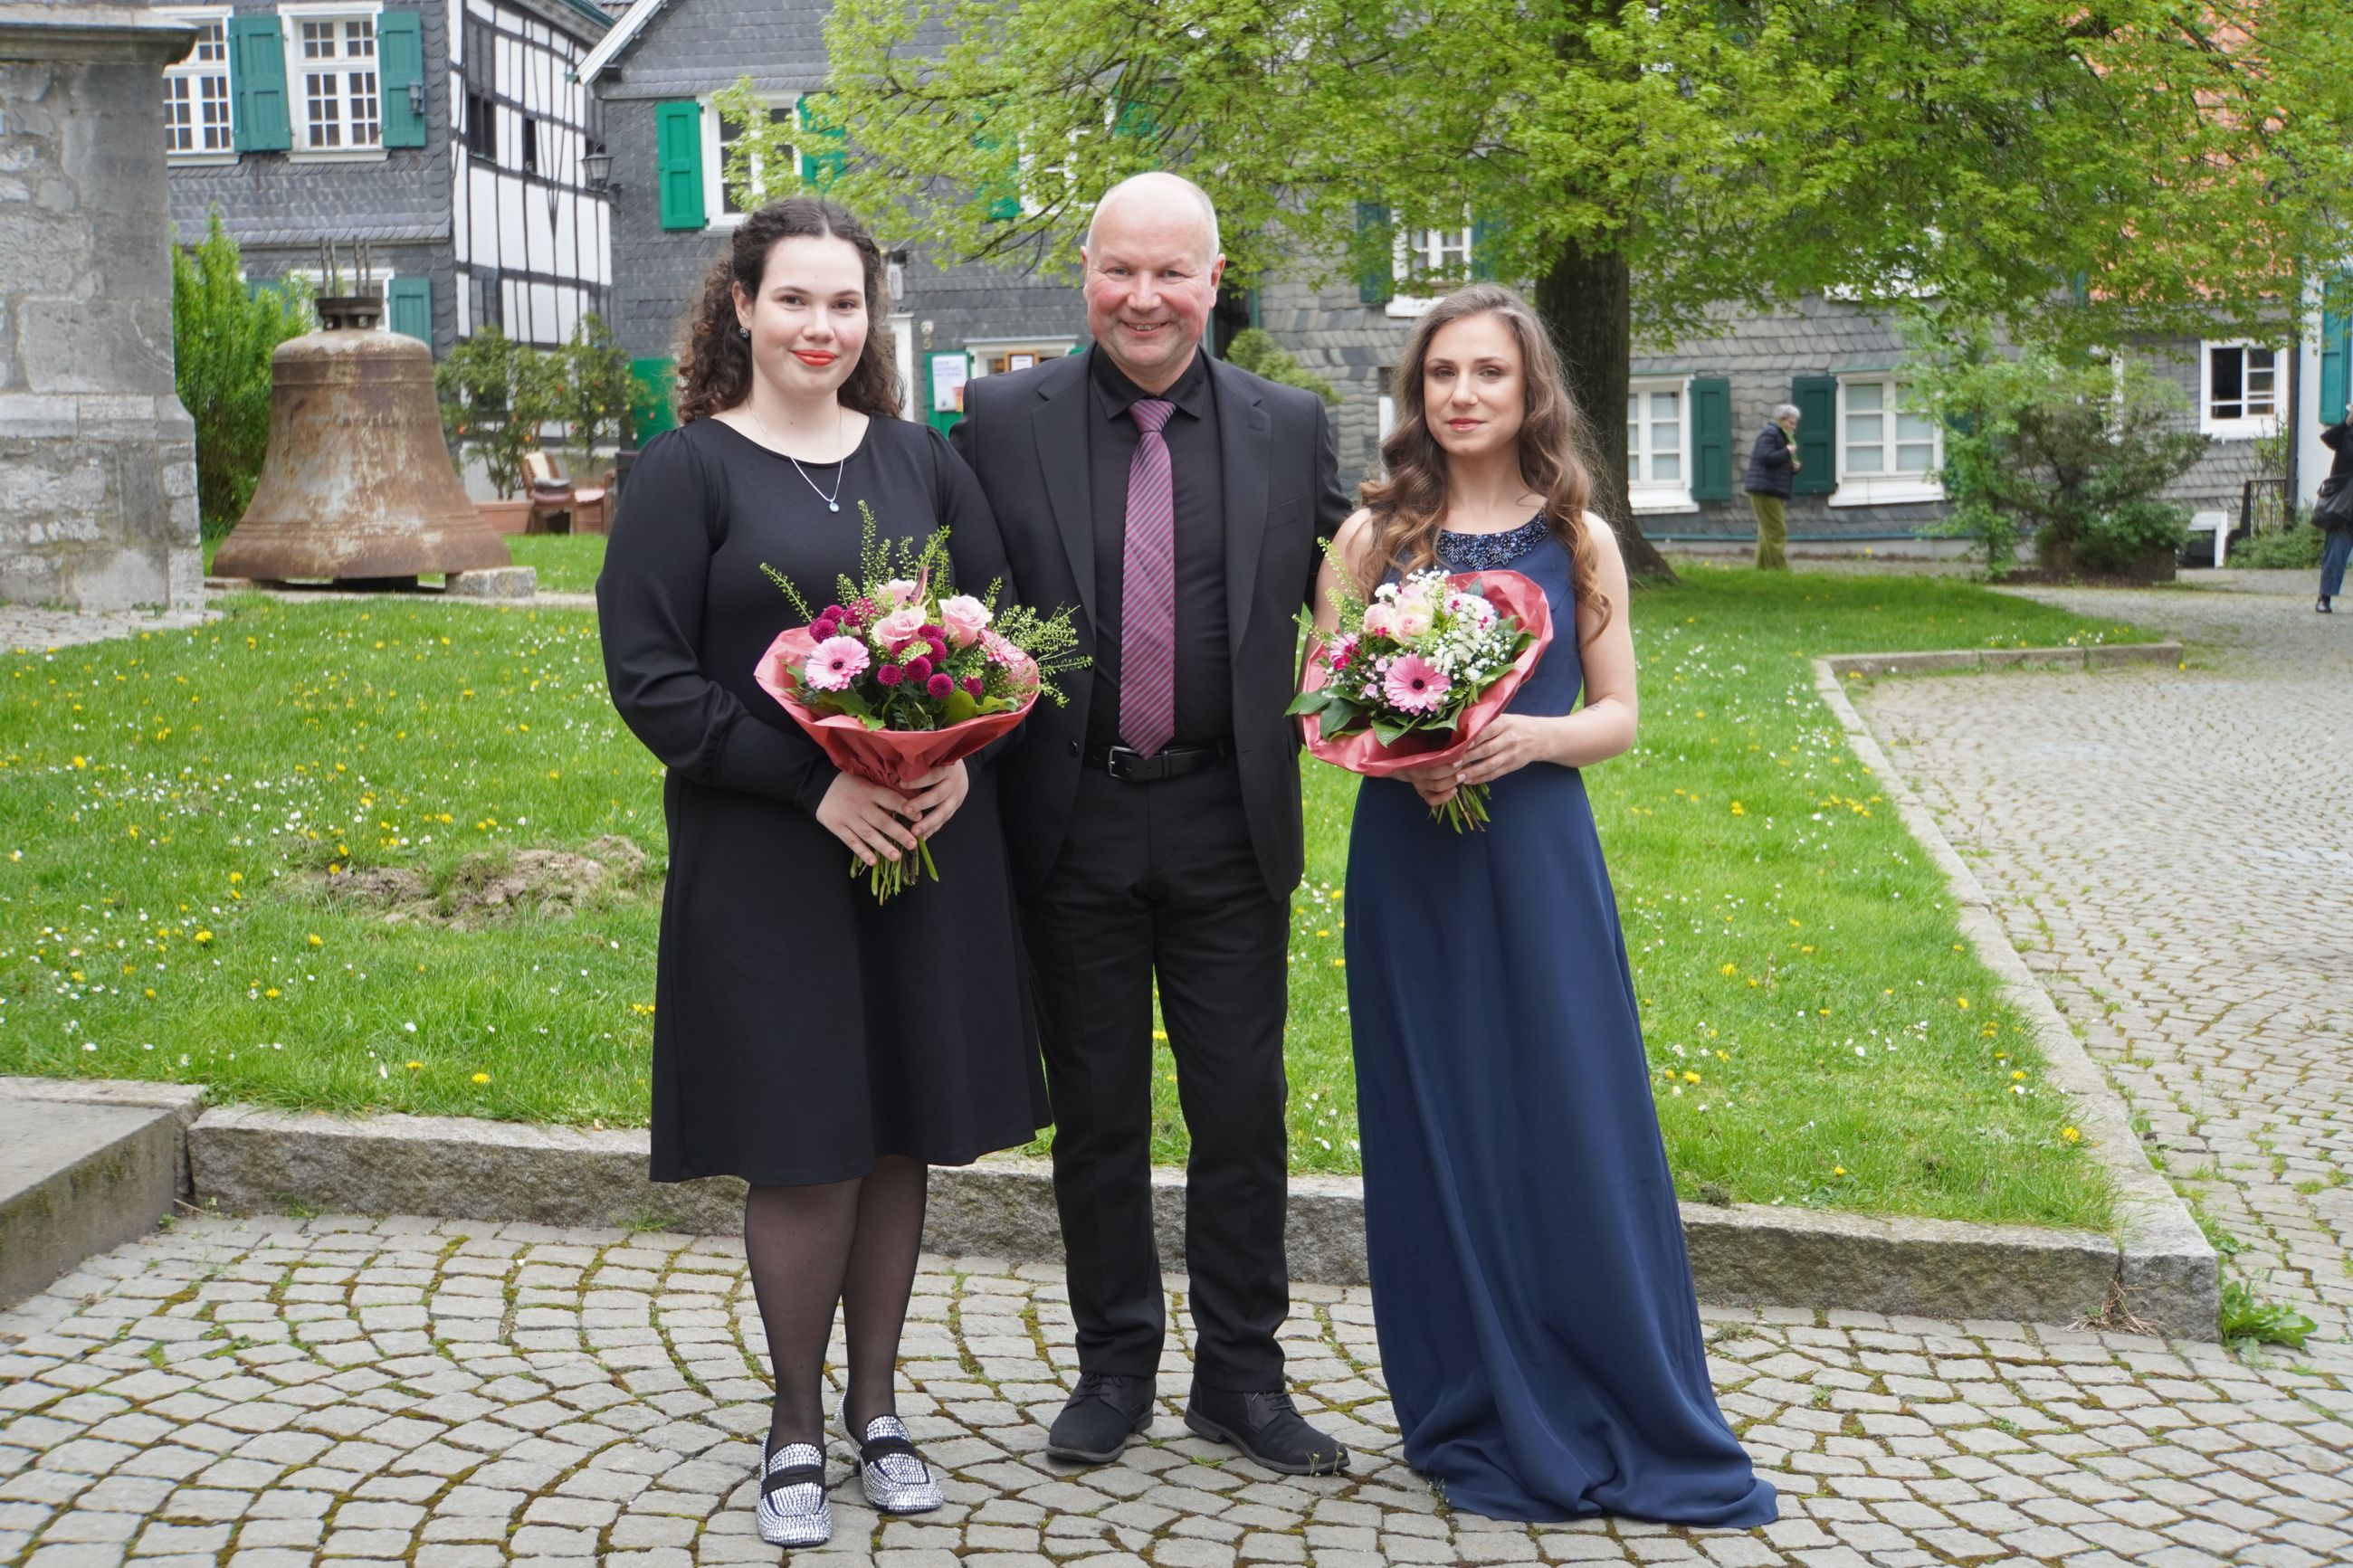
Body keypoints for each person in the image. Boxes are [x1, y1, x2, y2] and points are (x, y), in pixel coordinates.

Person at [596, 197, 1046, 1549]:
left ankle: (879, 1408)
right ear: (740, 305)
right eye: (795, 300)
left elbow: (999, 625)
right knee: (805, 1141)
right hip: (768, 860)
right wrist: (813, 781)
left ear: (873, 318)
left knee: (897, 1126)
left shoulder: (924, 459)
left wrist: (971, 750)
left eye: (845, 304)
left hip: (921, 844)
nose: (821, 327)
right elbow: (649, 677)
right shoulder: (685, 473)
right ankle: (795, 1422)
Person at [1313, 282, 1779, 1527]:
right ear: (1417, 393)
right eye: (1443, 375)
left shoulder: (1581, 538)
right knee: (1435, 1117)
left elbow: (1620, 715)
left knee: (1566, 1111)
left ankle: (1602, 1376)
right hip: (1410, 864)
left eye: (1488, 375)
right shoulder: (1368, 542)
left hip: (1536, 854)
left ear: (1531, 394)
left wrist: (1529, 737)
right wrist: (1398, 748)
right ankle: (1466, 1388)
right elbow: (1325, 707)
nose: (1462, 395)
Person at [949, 172, 1352, 1475]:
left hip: (1229, 820)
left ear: (1214, 279)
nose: (1145, 296)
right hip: (1071, 821)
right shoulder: (1004, 418)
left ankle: (1242, 1375)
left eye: (1172, 272)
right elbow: (952, 603)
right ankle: (1116, 1364)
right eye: (1121, 270)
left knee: (1242, 1109)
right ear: (1085, 276)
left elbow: (1362, 588)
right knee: (1101, 1113)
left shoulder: (1289, 426)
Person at [1741, 404, 1802, 571]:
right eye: (1791, 423)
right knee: (1776, 532)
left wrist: (1793, 468)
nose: (1794, 427)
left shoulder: (1780, 435)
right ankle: (1779, 572)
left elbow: (1776, 464)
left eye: (1795, 424)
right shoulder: (1770, 433)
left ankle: (1762, 571)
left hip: (1770, 489)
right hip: (1765, 490)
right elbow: (1765, 458)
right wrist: (1787, 452)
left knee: (1765, 533)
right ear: (1781, 420)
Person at [2317, 404, 2352, 612]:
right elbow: (2327, 438)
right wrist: (2348, 422)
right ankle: (2325, 597)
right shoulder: (2345, 434)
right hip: (2344, 504)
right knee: (2336, 552)